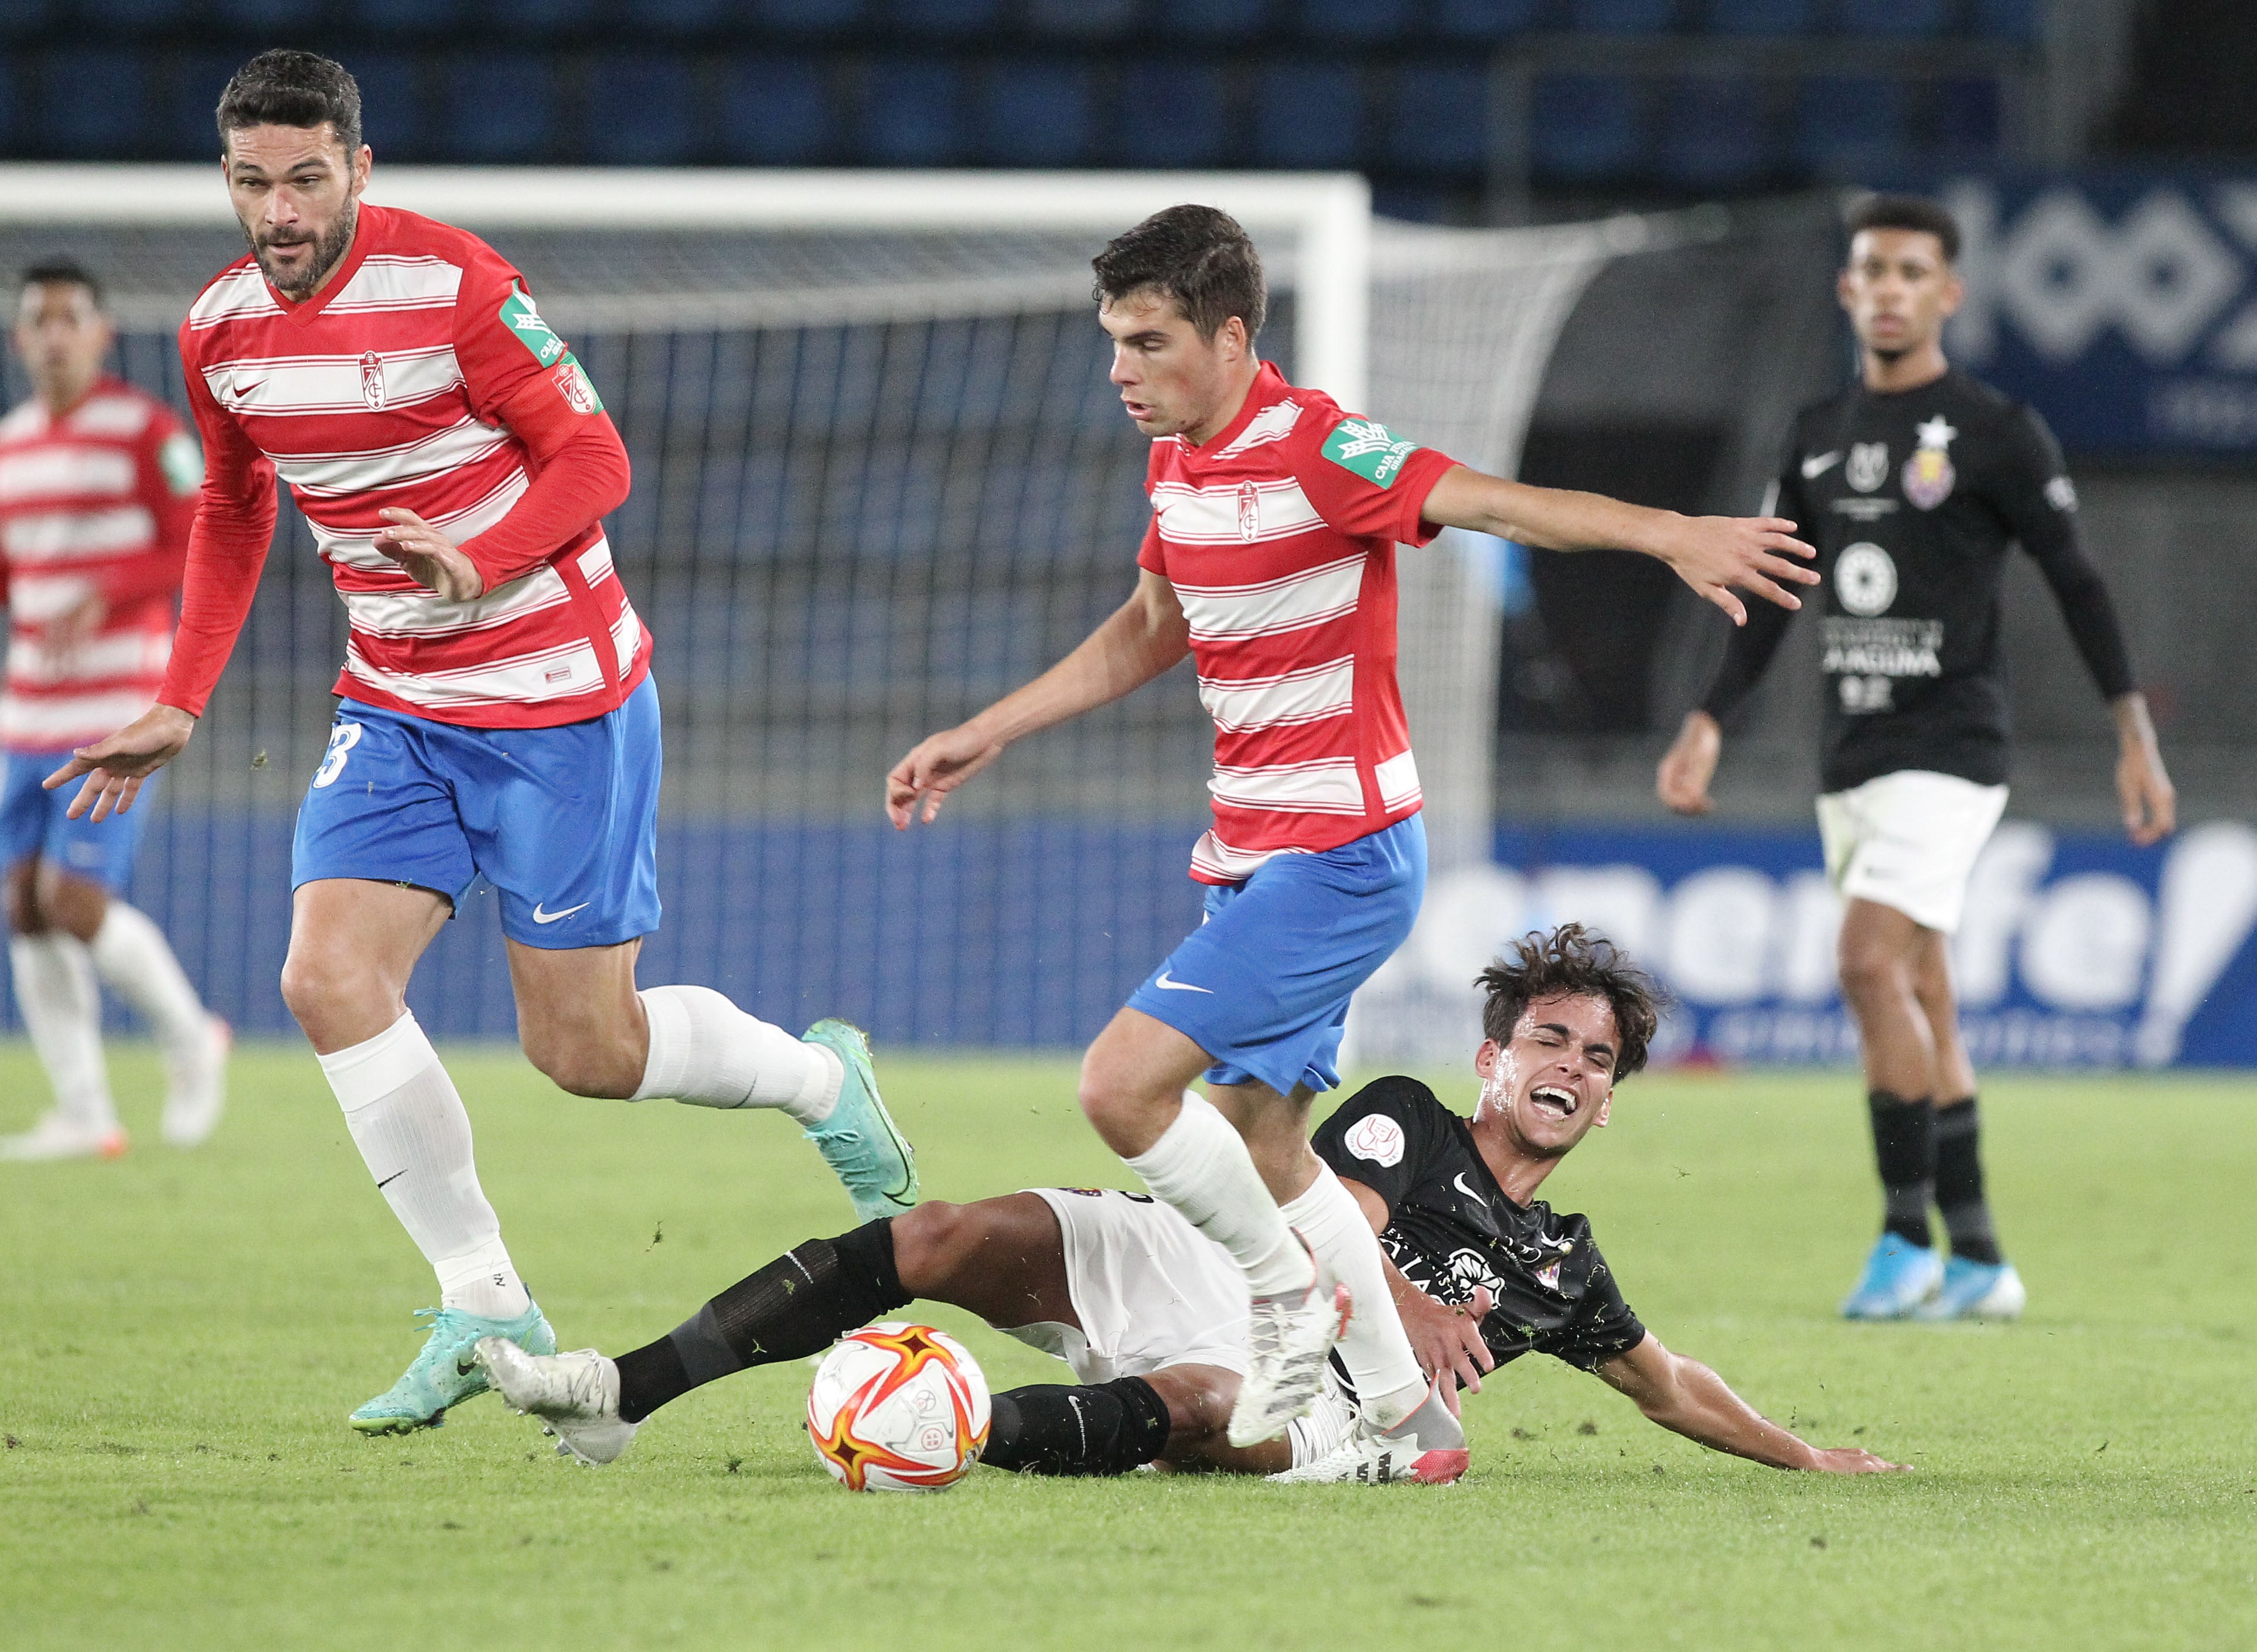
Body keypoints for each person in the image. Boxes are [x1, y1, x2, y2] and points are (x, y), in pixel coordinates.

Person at [44, 50, 918, 1433]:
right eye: (254, 183)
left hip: (561, 695)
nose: (281, 212)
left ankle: (824, 1079)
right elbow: (230, 504)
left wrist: (481, 555)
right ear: (228, 179)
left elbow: (594, 460)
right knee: (326, 979)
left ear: (360, 171)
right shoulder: (219, 329)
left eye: (308, 180)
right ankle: (486, 1301)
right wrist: (182, 695)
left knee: (585, 1051)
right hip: (395, 707)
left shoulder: (451, 283)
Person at [881, 205, 1820, 1480]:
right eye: (1113, 342)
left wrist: (1670, 534)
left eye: (1148, 343)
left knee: (1121, 1089)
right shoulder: (1175, 461)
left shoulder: (1324, 447)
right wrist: (991, 728)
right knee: (1264, 1139)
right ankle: (1406, 1411)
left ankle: (1290, 1315)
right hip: (1252, 860)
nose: (1122, 371)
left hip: (1345, 852)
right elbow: (1153, 623)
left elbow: (1499, 502)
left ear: (1228, 335)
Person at [475, 925, 1903, 1483]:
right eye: (1548, 1040)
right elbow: (1317, 1198)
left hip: (1328, 1396)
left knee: (1220, 1401)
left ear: (1609, 1101)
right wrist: (1406, 1295)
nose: (1567, 1069)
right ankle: (623, 1393)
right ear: (1494, 1056)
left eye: (1596, 1060)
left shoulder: (1560, 1269)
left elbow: (1669, 1386)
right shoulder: (1406, 1114)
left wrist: (1801, 1454)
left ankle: (948, 1439)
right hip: (1219, 1257)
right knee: (943, 1237)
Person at [1655, 193, 2175, 1323]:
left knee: (1864, 964)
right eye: (1872, 270)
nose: (1889, 288)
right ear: (1849, 289)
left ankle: (1904, 1238)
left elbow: (2077, 580)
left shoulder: (1995, 431)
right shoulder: (1815, 433)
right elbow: (1773, 594)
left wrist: (2132, 730)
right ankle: (1982, 1256)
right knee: (1923, 985)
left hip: (1952, 748)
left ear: (1949, 293)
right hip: (1855, 754)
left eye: (1911, 271)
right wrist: (1709, 718)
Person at [0, 260, 230, 1162]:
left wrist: (107, 591)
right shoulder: (10, 444)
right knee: (21, 905)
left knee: (75, 898)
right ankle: (86, 1110)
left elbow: (199, 539)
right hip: (22, 711)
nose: (55, 334)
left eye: (71, 319)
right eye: (38, 320)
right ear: (21, 339)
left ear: (101, 333)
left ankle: (190, 1036)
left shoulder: (145, 432)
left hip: (113, 706)